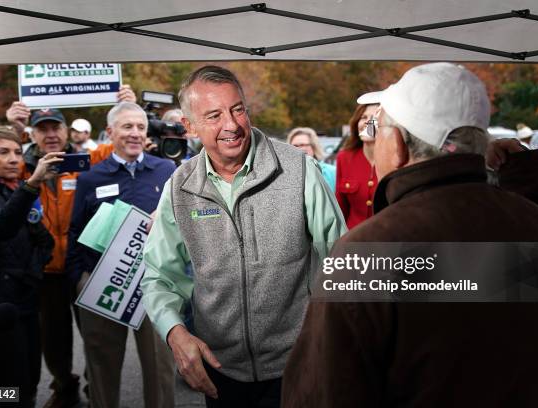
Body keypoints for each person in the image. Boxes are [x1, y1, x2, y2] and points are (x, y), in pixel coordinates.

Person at [281, 63, 538, 407]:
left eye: (379, 127)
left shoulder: (367, 255)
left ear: (397, 144)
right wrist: (526, 179)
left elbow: (321, 393)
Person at [140, 65, 346, 408]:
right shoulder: (179, 187)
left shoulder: (298, 169)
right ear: (190, 127)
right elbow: (159, 275)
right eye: (214, 115)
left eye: (238, 109)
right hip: (222, 373)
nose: (232, 125)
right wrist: (174, 332)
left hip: (297, 365)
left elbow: (340, 260)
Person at [5, 86, 136, 408]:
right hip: (45, 271)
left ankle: (96, 387)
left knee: (96, 336)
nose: (50, 134)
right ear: (33, 134)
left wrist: (128, 109)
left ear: (66, 132)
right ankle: (64, 385)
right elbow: (1, 158)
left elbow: (120, 147)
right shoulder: (22, 167)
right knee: (53, 339)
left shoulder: (85, 160)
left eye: (55, 128)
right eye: (43, 129)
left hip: (82, 265)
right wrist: (13, 127)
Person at [66, 102, 176, 408]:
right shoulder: (91, 177)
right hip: (103, 283)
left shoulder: (166, 170)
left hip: (154, 283)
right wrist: (79, 280)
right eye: (128, 126)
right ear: (110, 131)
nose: (135, 134)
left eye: (141, 127)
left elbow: (186, 221)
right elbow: (74, 232)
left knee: (160, 367)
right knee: (102, 364)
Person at [0, 127, 60, 407]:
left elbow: (43, 241)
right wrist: (31, 184)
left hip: (24, 303)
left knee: (29, 384)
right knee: (11, 392)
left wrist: (30, 271)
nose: (13, 159)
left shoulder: (15, 191)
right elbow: (1, 227)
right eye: (3, 152)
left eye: (18, 152)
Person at [335, 92, 380, 228]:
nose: (367, 122)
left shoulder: (398, 158)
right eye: (363, 117)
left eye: (374, 118)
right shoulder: (344, 158)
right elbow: (340, 208)